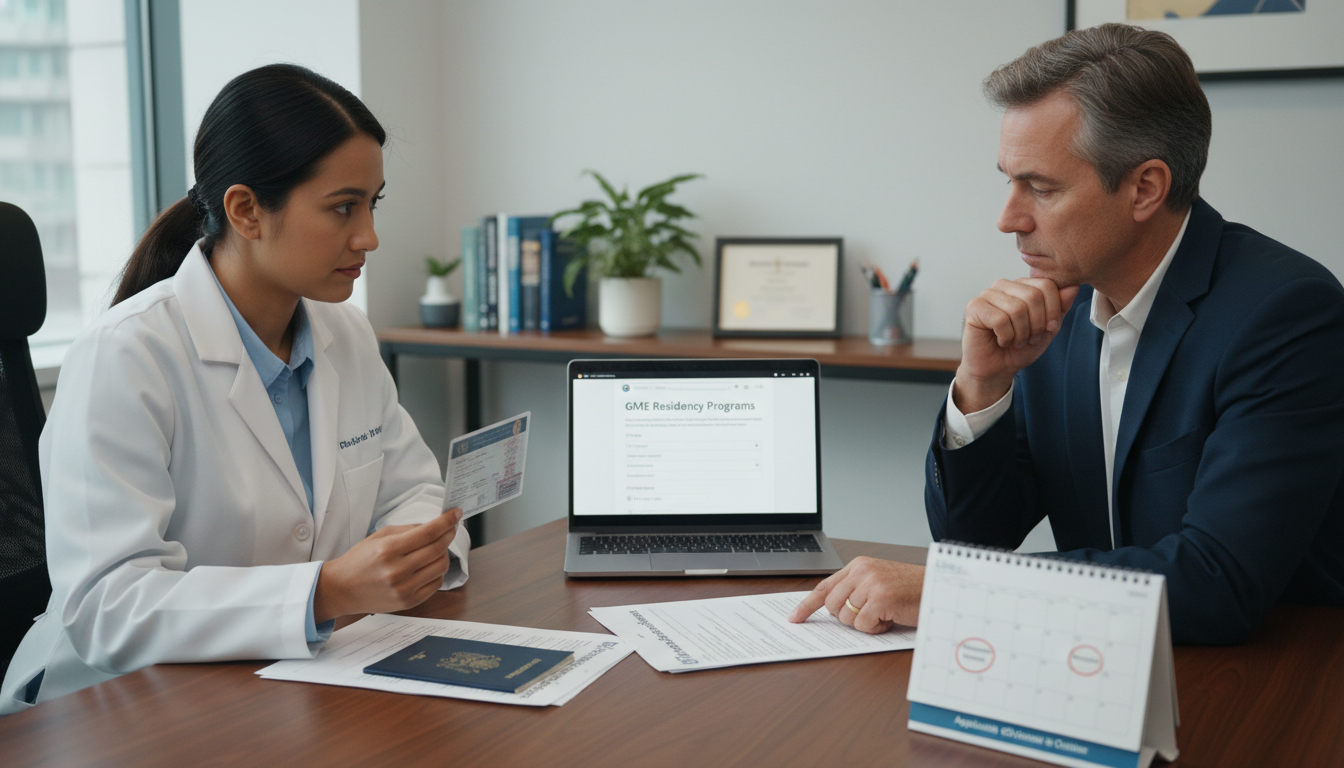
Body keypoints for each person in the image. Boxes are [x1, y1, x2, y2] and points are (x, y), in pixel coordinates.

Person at [790, 24, 1344, 644]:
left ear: (1145, 188)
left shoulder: (1286, 315)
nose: (1008, 219)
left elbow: (1218, 584)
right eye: (1009, 180)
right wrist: (982, 386)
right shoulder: (1059, 310)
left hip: (1270, 683)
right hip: (1095, 663)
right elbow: (973, 541)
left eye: (1042, 188)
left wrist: (953, 591)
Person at [1, 64, 469, 714]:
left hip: (292, 682)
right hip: (119, 706)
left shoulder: (347, 335)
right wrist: (325, 592)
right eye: (342, 207)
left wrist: (411, 555)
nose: (369, 237)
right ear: (246, 210)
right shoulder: (127, 355)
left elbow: (414, 490)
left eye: (372, 203)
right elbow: (107, 607)